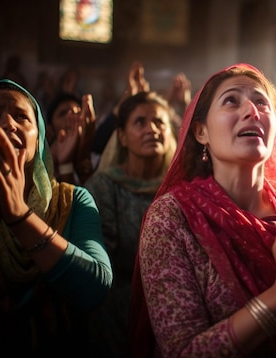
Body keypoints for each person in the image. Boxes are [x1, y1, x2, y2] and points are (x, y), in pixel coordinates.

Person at [129, 63, 276, 357]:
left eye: (262, 102)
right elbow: (182, 351)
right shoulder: (172, 217)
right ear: (201, 131)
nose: (252, 111)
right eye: (231, 100)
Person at [0, 79, 112, 356]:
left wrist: (20, 215)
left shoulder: (72, 200)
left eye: (21, 117)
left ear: (38, 138)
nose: (9, 125)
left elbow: (94, 289)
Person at [86, 91, 177, 357]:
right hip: (118, 307)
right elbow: (101, 264)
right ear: (122, 137)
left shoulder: (179, 188)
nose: (152, 129)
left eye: (159, 122)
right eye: (140, 122)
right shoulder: (104, 186)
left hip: (174, 302)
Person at [45, 91, 97, 184]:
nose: (72, 117)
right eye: (63, 113)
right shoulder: (44, 163)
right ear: (50, 129)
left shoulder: (97, 159)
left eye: (77, 112)